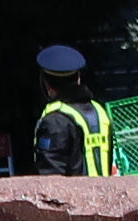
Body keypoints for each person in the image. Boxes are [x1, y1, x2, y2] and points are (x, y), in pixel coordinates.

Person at [29, 45, 113, 176]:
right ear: (78, 78)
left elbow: (51, 175)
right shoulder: (98, 111)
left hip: (72, 195)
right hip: (103, 194)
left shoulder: (55, 120)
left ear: (46, 83)